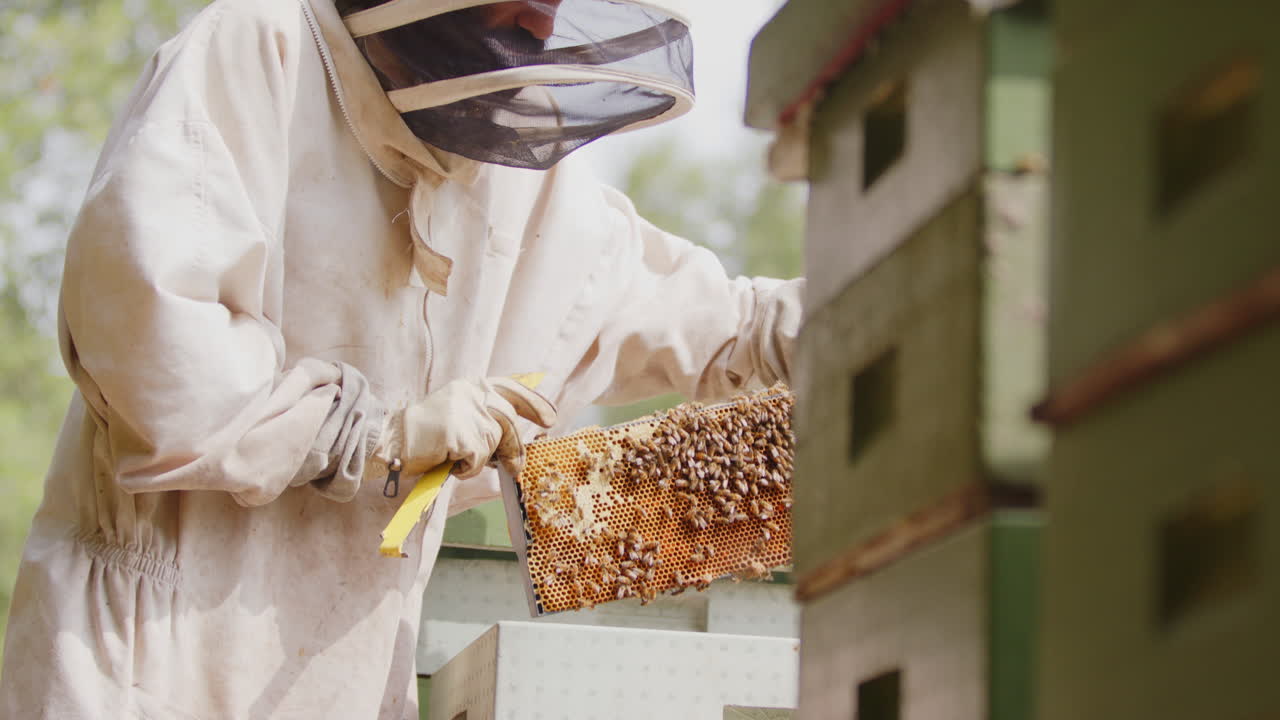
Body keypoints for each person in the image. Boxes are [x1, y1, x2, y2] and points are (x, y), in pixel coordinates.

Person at [0, 0, 803, 717]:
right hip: (146, 669)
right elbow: (154, 357)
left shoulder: (534, 189)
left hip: (347, 679)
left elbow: (734, 327)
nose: (546, 22)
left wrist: (906, 288)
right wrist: (376, 432)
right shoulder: (257, 49)